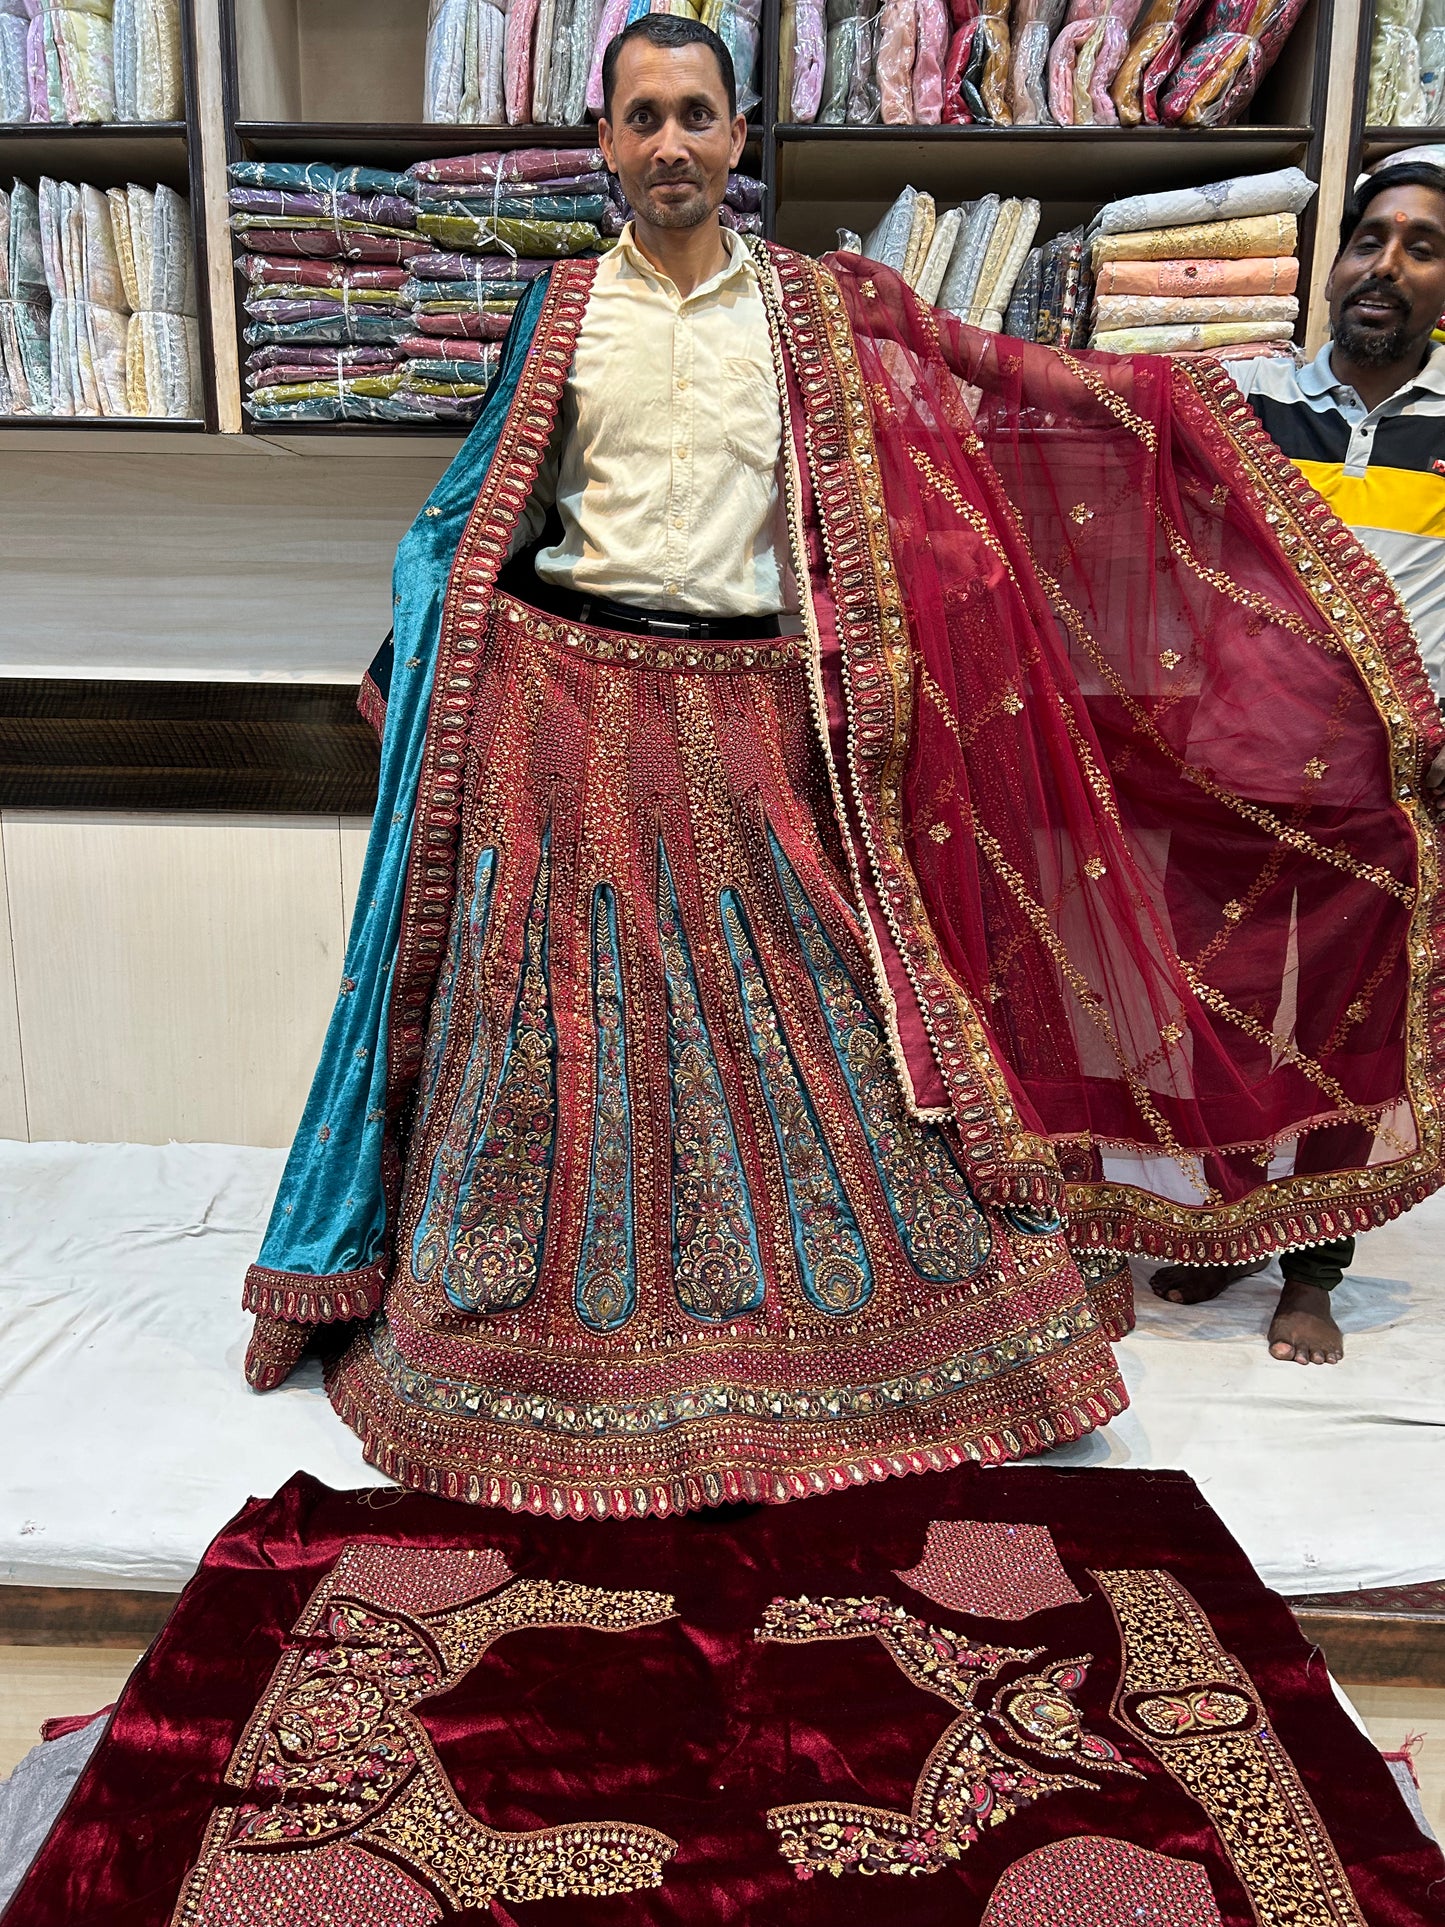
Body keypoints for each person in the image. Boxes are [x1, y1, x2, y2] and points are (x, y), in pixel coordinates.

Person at [239, 18, 1445, 1517]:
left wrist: (1171, 414)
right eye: (640, 119)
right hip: (568, 713)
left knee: (823, 1026)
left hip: (761, 708)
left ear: (739, 138)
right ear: (604, 142)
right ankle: (511, 1332)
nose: (669, 144)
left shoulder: (817, 310)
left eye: (695, 116)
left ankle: (903, 1340)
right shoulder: (554, 312)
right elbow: (476, 513)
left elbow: (988, 396)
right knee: (544, 1031)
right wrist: (421, 669)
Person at [1150, 162, 1445, 1367]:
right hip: (1229, 772)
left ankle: (1310, 1269)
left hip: (1378, 800)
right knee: (1206, 1011)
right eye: (1365, 239)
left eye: (1420, 246)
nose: (1383, 264)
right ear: (1331, 262)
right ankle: (1221, 1226)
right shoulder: (1240, 403)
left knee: (1341, 1038)